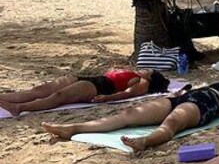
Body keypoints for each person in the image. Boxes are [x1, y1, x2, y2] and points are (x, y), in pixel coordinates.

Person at [42, 83, 219, 155]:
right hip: (184, 96)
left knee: (171, 124)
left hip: (205, 104)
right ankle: (72, 128)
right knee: (128, 114)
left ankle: (147, 141)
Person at [0, 69, 170, 117]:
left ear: (151, 77)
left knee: (57, 97)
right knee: (39, 91)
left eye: (148, 70)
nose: (144, 70)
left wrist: (107, 98)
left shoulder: (143, 83)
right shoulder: (135, 74)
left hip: (98, 86)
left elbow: (128, 93)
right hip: (91, 78)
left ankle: (19, 108)